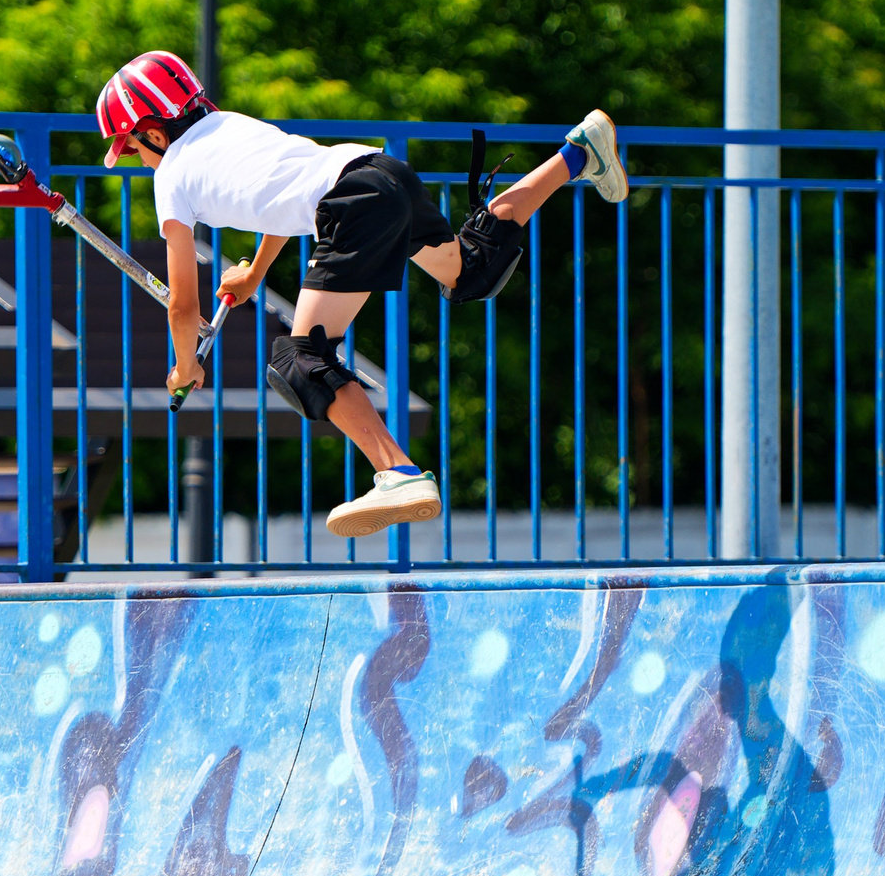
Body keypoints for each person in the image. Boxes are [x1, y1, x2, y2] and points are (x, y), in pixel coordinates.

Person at [96, 50, 629, 539]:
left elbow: (183, 302)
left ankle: (396, 471)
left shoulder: (172, 176)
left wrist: (186, 366)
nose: (139, 162)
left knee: (299, 360)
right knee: (469, 270)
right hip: (380, 172)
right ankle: (578, 154)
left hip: (351, 204)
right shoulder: (228, 125)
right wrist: (256, 272)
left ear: (155, 135)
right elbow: (288, 200)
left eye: (132, 149)